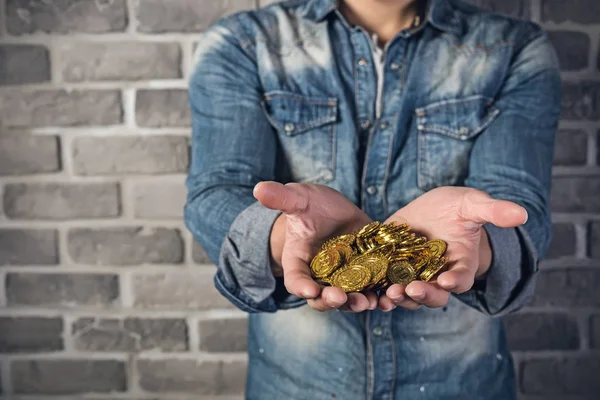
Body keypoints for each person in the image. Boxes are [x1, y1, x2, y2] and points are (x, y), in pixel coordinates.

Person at [184, 0, 561, 398]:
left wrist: (477, 246)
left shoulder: (514, 49)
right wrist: (284, 236)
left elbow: (521, 208)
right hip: (296, 382)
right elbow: (215, 194)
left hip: (460, 382)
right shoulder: (243, 43)